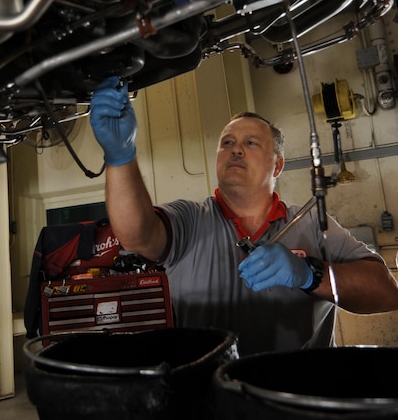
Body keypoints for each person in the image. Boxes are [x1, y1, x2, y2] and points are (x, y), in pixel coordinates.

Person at [89, 75, 398, 356]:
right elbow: (137, 234)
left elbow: (385, 292)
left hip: (297, 398)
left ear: (277, 166)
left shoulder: (313, 225)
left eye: (250, 143)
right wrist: (121, 155)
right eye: (227, 143)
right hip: (210, 400)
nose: (235, 150)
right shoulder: (189, 218)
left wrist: (309, 273)